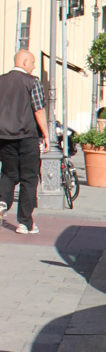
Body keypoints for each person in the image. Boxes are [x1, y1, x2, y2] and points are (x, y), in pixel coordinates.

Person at [0, 49, 51, 235]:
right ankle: (25, 223)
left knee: (8, 173)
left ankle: (2, 200)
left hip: (4, 137)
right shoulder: (32, 82)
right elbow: (38, 110)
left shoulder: (1, 81)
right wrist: (46, 135)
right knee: (29, 179)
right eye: (32, 62)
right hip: (28, 136)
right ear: (24, 62)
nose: (34, 66)